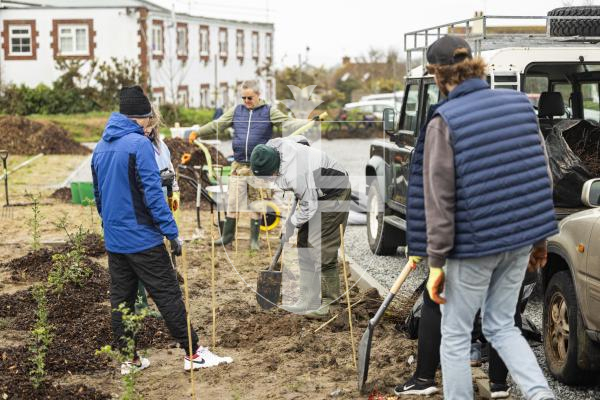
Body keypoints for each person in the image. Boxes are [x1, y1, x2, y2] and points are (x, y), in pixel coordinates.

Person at [405, 36, 557, 400]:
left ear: (438, 75)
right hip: (519, 240)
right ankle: (542, 396)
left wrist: (436, 262)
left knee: (455, 337)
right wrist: (539, 240)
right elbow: (543, 177)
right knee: (503, 326)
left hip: (473, 246)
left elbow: (439, 199)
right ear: (472, 65)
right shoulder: (520, 104)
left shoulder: (445, 120)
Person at [92, 85, 232, 374]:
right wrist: (171, 232)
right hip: (143, 238)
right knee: (168, 294)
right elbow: (153, 193)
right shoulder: (138, 144)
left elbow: (98, 195)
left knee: (122, 301)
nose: (149, 124)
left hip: (116, 239)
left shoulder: (101, 147)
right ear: (142, 117)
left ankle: (129, 360)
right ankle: (194, 354)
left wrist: (110, 227)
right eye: (148, 119)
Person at [194, 80, 305, 250]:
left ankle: (254, 240)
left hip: (259, 167)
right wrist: (198, 132)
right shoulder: (236, 111)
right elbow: (218, 125)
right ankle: (227, 237)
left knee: (257, 203)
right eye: (243, 98)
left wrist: (307, 123)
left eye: (249, 97)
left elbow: (287, 123)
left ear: (258, 95)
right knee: (232, 202)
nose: (246, 101)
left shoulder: (269, 112)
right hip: (238, 165)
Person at [250, 137, 351, 318]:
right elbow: (301, 140)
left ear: (275, 169)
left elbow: (309, 206)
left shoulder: (295, 175)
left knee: (321, 246)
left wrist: (290, 224)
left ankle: (331, 305)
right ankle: (307, 299)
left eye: (269, 177)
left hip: (333, 192)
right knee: (304, 243)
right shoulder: (272, 146)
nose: (268, 180)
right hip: (312, 191)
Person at [134, 104, 180, 317]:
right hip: (139, 206)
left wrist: (173, 192)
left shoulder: (161, 146)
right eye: (144, 126)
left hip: (159, 203)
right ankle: (140, 302)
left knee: (156, 249)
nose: (147, 130)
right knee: (141, 253)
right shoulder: (132, 146)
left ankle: (155, 296)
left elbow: (171, 173)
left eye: (151, 126)